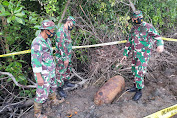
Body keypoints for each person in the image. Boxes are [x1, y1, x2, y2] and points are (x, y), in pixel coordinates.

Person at [120, 11, 164, 101]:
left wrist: (160, 45)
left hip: (144, 54)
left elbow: (157, 37)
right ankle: (135, 86)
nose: (137, 20)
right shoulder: (133, 29)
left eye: (138, 18)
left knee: (139, 71)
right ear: (133, 19)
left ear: (141, 17)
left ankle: (139, 91)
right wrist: (125, 54)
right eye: (135, 19)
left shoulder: (148, 27)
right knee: (134, 70)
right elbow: (129, 42)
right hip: (135, 53)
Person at [31, 20, 64, 118]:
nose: (53, 32)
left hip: (50, 71)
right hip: (43, 73)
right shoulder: (37, 42)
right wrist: (39, 77)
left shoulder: (47, 40)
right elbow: (35, 61)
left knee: (53, 87)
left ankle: (53, 101)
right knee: (41, 93)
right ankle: (37, 114)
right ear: (46, 30)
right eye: (52, 30)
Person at [55, 16, 76, 98]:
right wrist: (65, 58)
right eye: (72, 25)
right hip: (62, 57)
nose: (72, 27)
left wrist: (68, 57)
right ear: (69, 22)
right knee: (60, 72)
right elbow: (61, 45)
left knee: (67, 69)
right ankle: (60, 88)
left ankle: (66, 82)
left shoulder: (67, 31)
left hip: (67, 55)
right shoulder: (61, 31)